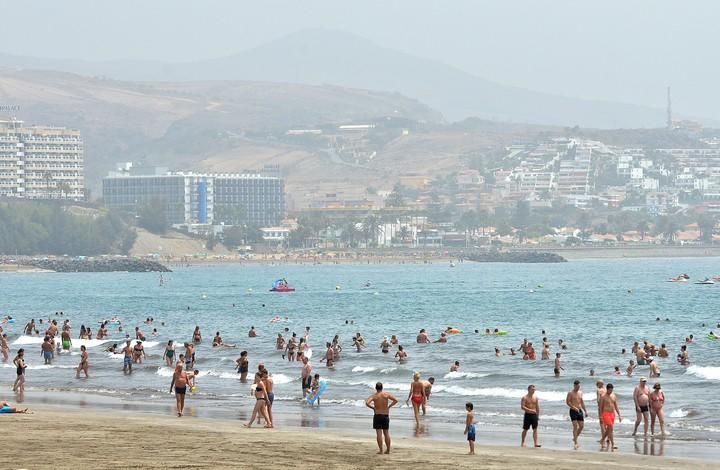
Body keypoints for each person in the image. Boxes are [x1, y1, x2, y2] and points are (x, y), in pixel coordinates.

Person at [365, 382, 398, 454]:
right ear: (382, 387)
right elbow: (396, 400)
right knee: (386, 433)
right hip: (385, 415)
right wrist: (389, 406)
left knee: (379, 434)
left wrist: (373, 408)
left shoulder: (374, 396)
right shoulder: (386, 394)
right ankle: (388, 450)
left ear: (376, 388)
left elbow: (367, 403)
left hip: (377, 415)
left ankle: (381, 450)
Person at [566, 380, 588, 449]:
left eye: (579, 386)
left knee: (581, 426)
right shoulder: (570, 393)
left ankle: (575, 438)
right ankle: (576, 442)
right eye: (577, 386)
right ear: (574, 386)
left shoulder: (580, 392)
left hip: (579, 410)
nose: (578, 387)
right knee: (575, 426)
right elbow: (567, 402)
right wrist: (573, 407)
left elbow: (582, 402)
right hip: (573, 411)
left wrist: (585, 411)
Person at [599, 383, 622, 451]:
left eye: (612, 390)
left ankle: (605, 441)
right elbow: (600, 407)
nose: (611, 391)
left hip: (612, 414)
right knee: (610, 427)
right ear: (607, 389)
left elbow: (616, 406)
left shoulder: (613, 395)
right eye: (610, 390)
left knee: (609, 429)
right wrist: (600, 416)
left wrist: (619, 415)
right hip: (605, 413)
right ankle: (611, 443)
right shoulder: (603, 396)